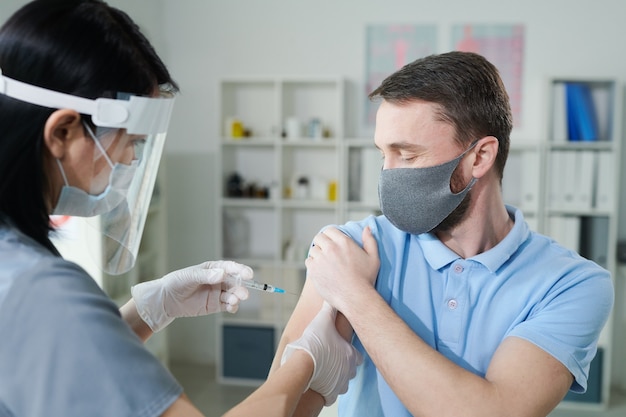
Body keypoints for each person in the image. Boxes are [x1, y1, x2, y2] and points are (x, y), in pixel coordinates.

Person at [0, 1, 361, 416]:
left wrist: (153, 308)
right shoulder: (38, 288)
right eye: (131, 141)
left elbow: (69, 359)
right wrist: (304, 366)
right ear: (63, 131)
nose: (131, 162)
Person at [271, 51, 615, 416]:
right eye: (382, 155)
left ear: (480, 157)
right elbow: (282, 405)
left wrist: (357, 297)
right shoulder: (352, 247)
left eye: (406, 155)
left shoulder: (571, 284)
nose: (388, 175)